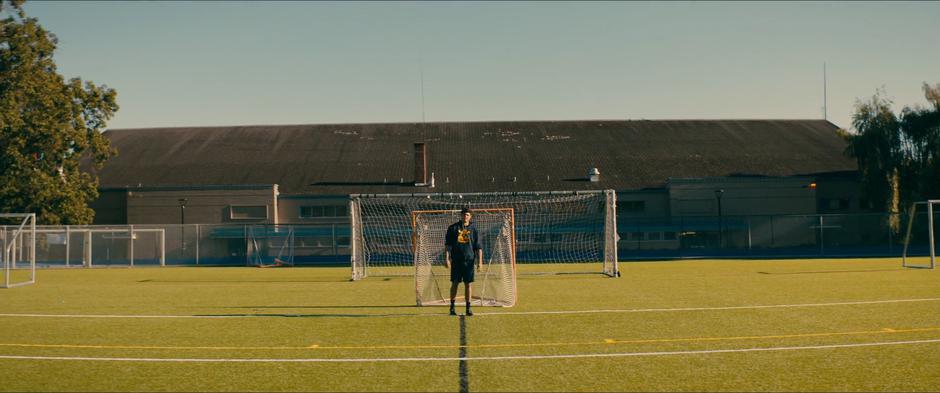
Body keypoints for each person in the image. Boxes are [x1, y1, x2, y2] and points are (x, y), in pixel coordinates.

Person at [444, 207, 483, 316]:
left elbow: (478, 247)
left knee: (468, 284)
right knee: (455, 283)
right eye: (464, 214)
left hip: (469, 261)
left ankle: (468, 308)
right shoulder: (453, 228)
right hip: (456, 260)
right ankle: (452, 307)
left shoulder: (474, 229)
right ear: (461, 215)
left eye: (468, 215)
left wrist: (480, 262)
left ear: (470, 217)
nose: (465, 217)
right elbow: (448, 245)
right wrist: (446, 258)